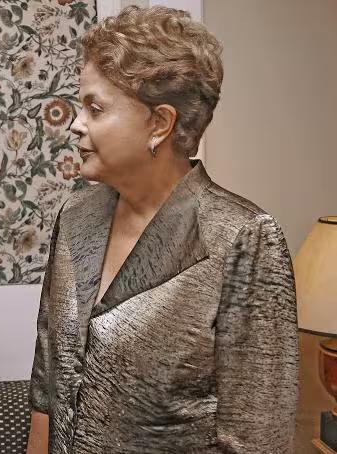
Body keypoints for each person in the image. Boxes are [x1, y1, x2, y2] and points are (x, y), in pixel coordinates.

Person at [26, 6, 298, 454]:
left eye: (95, 108)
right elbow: (47, 385)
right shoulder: (76, 217)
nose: (75, 124)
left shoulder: (242, 239)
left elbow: (257, 437)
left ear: (160, 123)